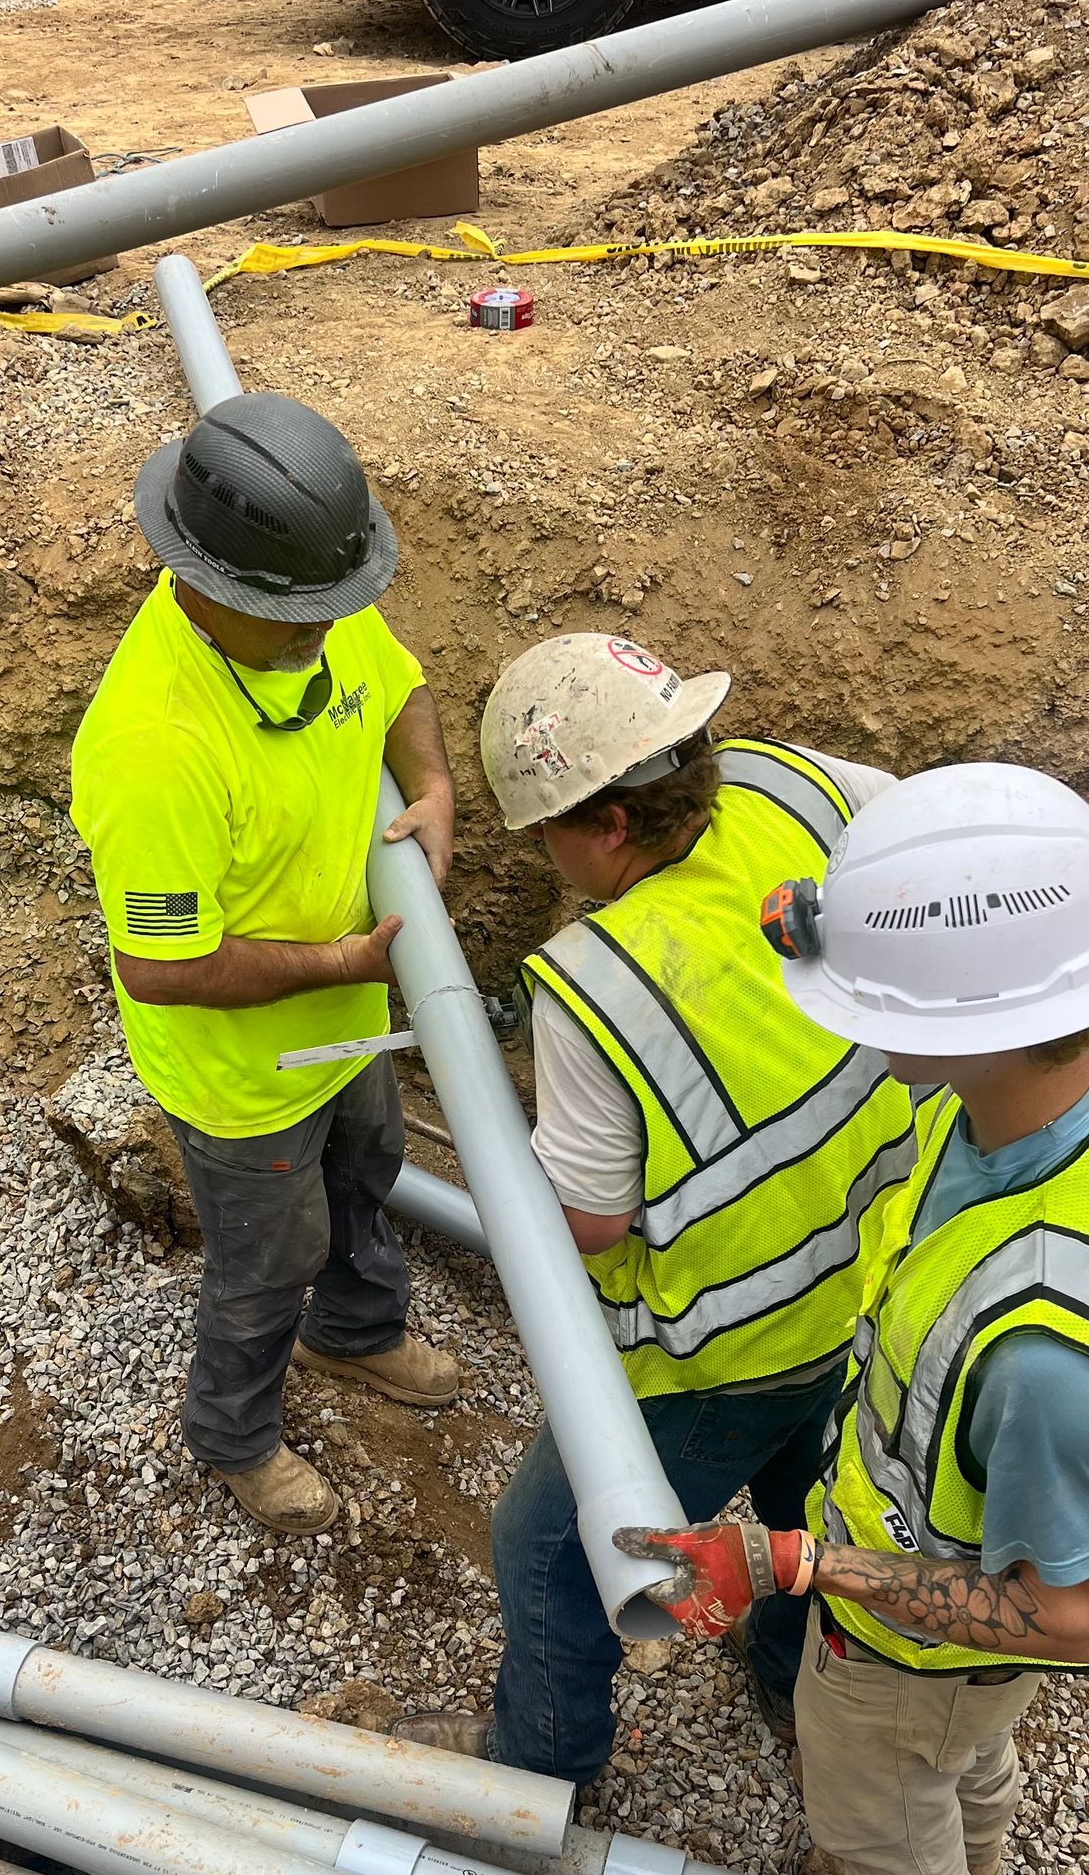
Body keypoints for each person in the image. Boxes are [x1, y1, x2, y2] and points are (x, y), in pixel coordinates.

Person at [618, 762, 1089, 1875]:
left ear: (982, 1029)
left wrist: (797, 1567)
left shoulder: (1048, 1362)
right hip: (964, 1673)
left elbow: (1078, 1617)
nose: (850, 1023)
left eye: (878, 1004)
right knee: (968, 1753)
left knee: (884, 1819)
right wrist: (829, 929)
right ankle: (975, 1850)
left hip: (907, 1662)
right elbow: (998, 936)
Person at [397, 634, 917, 1783]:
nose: (544, 858)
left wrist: (503, 1150)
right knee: (815, 1510)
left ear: (612, 826)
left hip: (726, 1348)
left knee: (546, 1553)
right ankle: (790, 1681)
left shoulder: (599, 987)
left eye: (548, 835)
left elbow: (586, 1222)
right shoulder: (808, 784)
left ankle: (540, 1769)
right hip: (877, 1282)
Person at [71, 391, 463, 1539]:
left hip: (343, 1009)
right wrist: (343, 958)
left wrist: (431, 784)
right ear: (210, 585)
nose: (326, 634)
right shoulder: (155, 747)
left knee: (373, 1164)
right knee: (263, 1264)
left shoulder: (308, 607)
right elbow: (164, 968)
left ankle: (357, 1330)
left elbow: (399, 684)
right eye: (303, 620)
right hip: (243, 1070)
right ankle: (233, 1437)